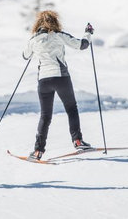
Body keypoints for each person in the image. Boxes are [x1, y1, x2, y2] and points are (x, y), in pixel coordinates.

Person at [22, 10, 94, 160]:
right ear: (55, 22)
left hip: (43, 81)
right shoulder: (59, 35)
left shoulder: (33, 40)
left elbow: (25, 56)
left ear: (38, 24)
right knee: (71, 109)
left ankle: (37, 151)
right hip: (61, 78)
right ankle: (78, 141)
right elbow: (82, 45)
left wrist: (35, 46)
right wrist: (88, 33)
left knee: (45, 116)